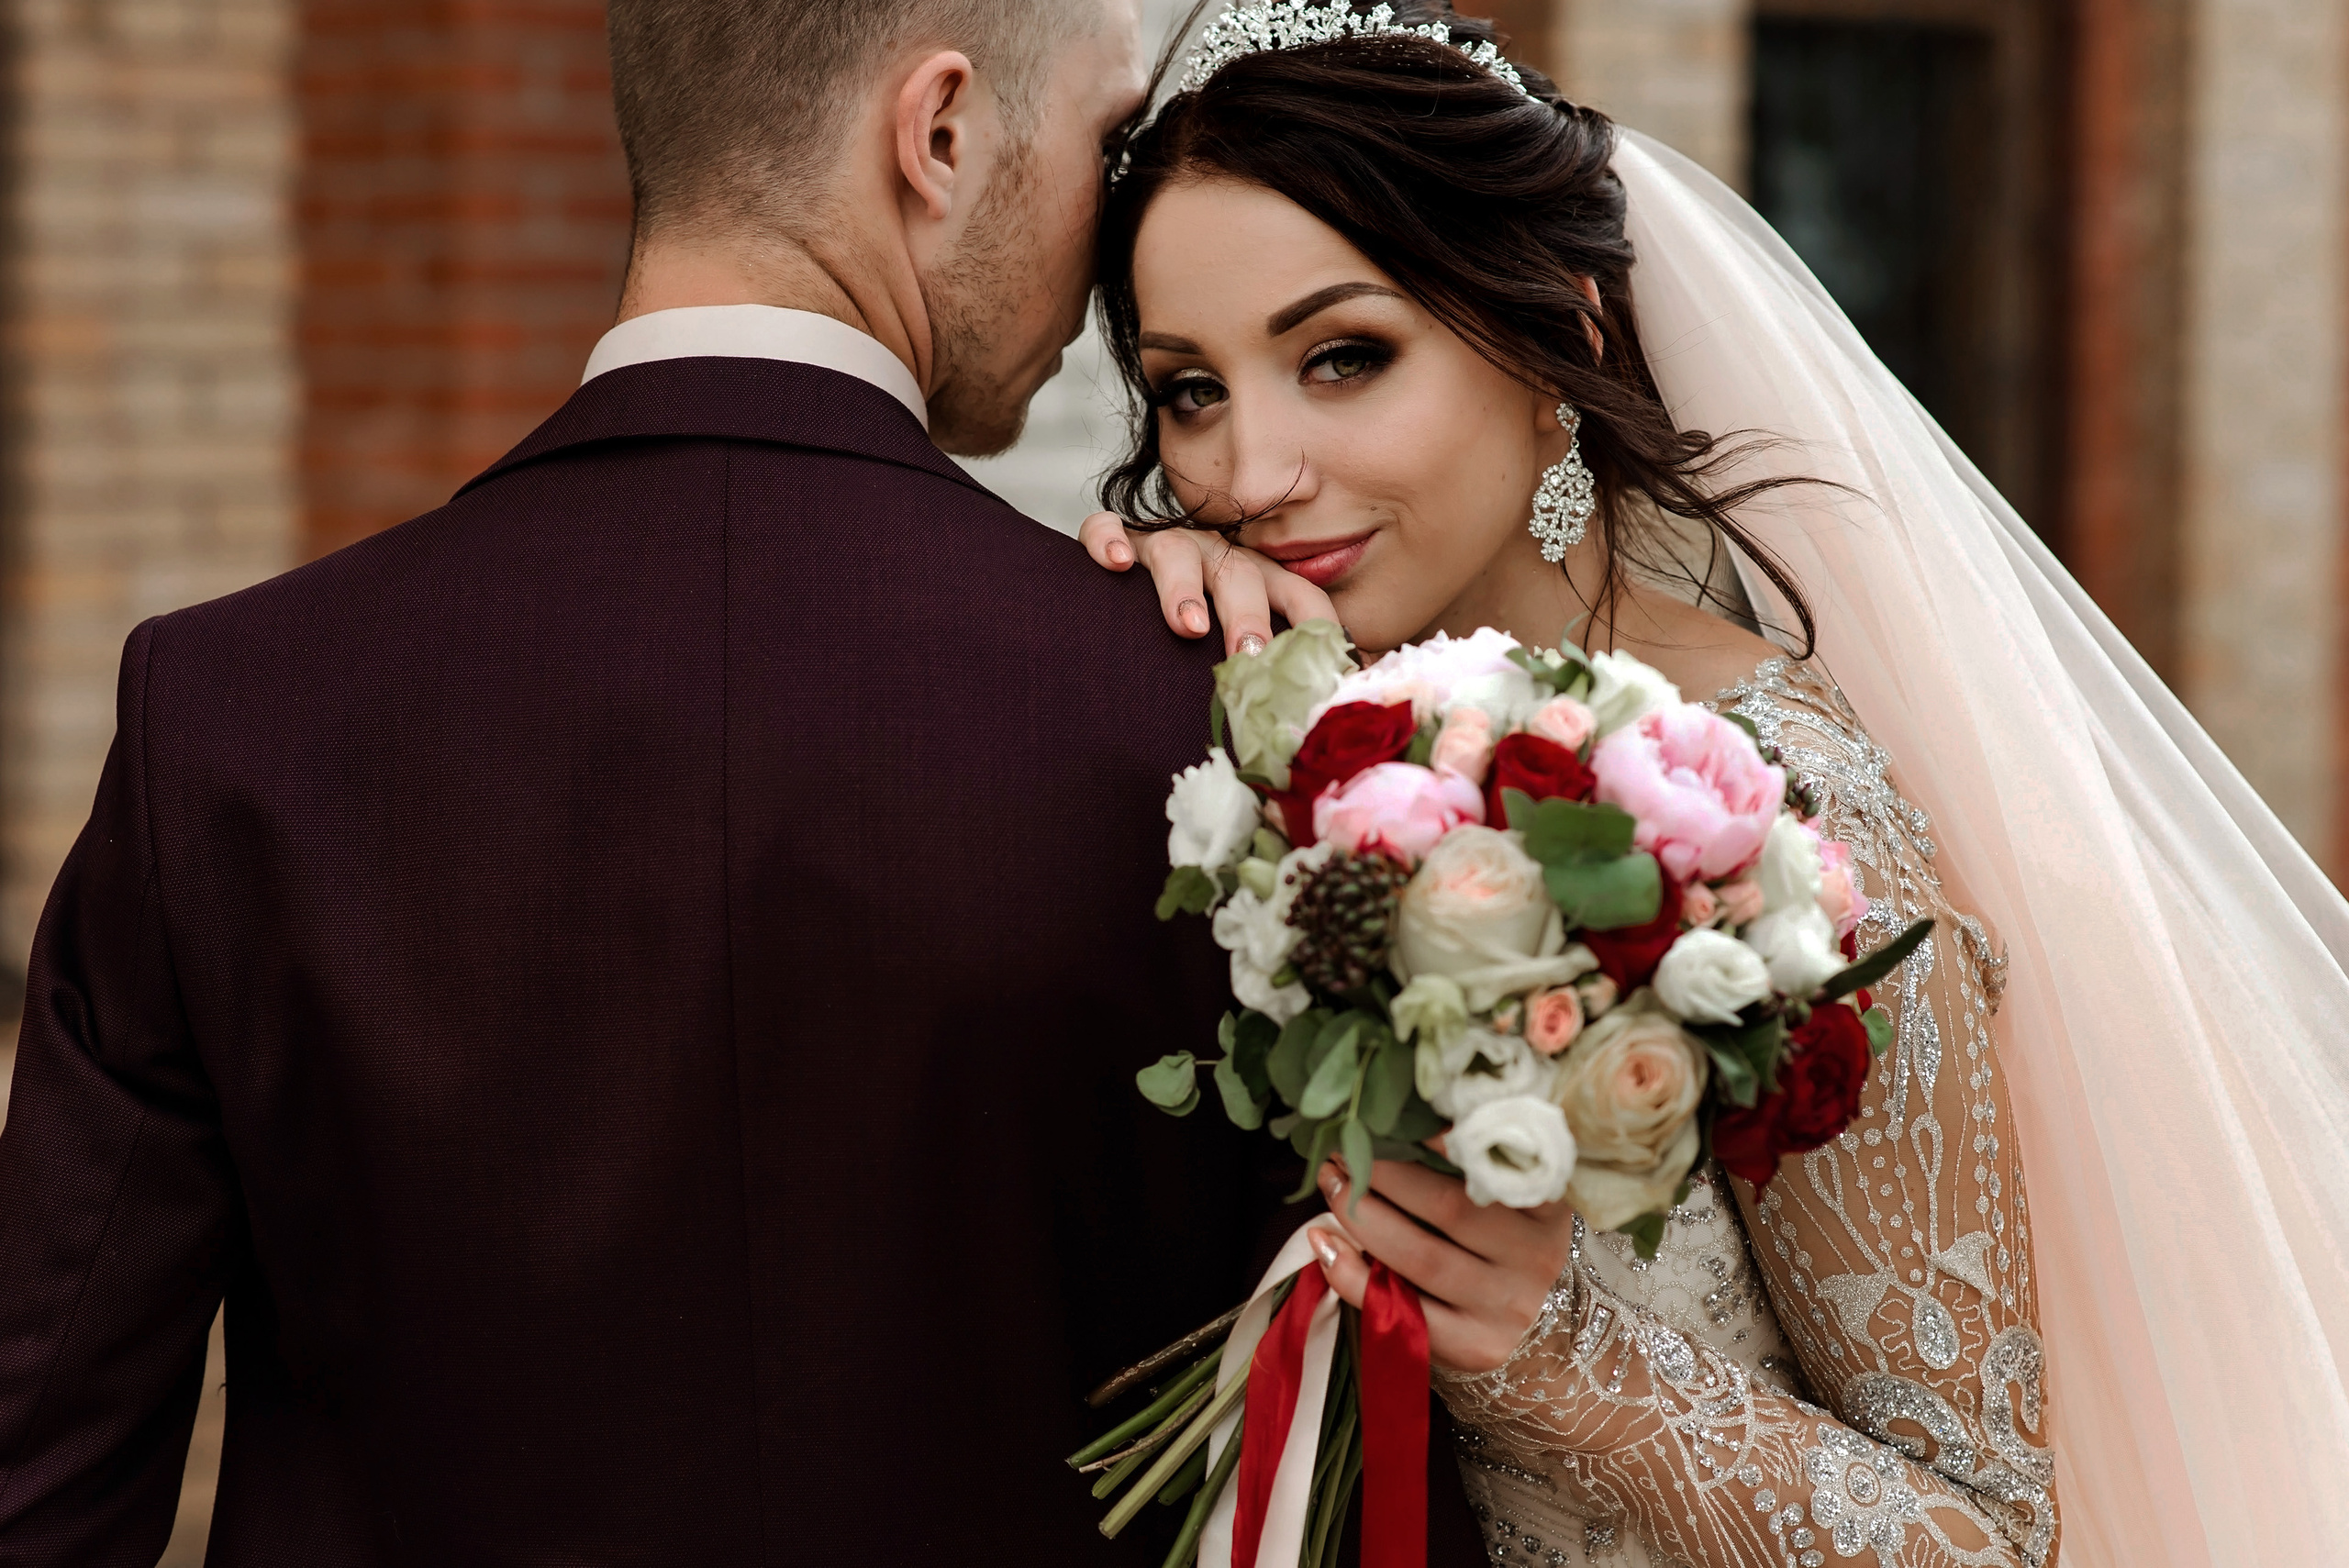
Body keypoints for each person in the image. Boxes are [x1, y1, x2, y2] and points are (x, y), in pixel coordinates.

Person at [0, 3, 1448, 1562]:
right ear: (938, 136)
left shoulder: (229, 713)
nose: (1115, 231)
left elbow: (38, 1480)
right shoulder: (1227, 727)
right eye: (1106, 142)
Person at [1078, 3, 2349, 1565]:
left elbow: (1986, 1533)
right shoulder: (1302, 724)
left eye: (1345, 357)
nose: (1249, 472)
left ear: (1559, 346)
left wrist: (1556, 1358)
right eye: (1190, 390)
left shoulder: (1773, 813)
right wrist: (1146, 627)